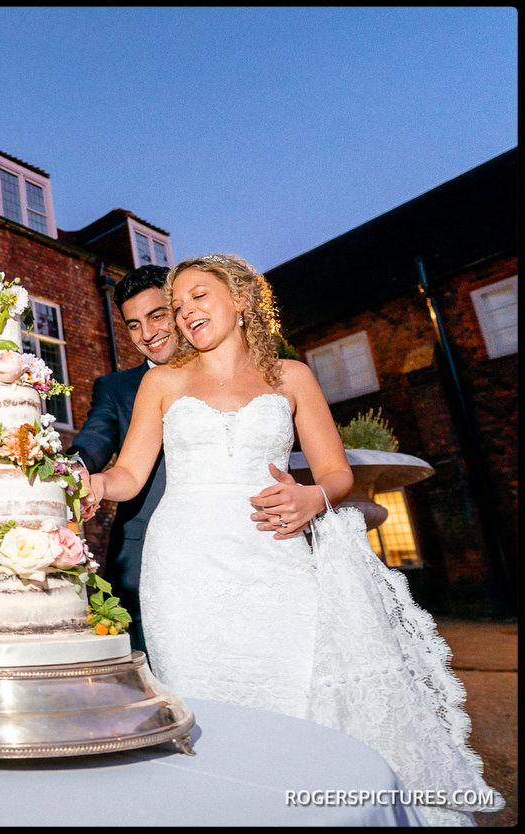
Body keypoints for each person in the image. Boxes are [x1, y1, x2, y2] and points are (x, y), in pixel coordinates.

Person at [83, 253, 502, 825]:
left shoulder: (293, 376)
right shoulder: (163, 382)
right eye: (177, 306)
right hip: (184, 567)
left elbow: (336, 474)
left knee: (294, 688)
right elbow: (129, 473)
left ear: (241, 297)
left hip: (272, 556)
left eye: (198, 297)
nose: (184, 313)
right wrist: (90, 482)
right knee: (203, 701)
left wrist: (313, 499)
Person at [68, 264, 174, 654]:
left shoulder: (222, 376)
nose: (146, 334)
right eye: (132, 325)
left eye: (156, 315)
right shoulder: (115, 388)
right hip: (143, 553)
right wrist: (77, 471)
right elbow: (94, 439)